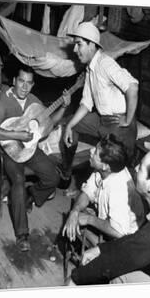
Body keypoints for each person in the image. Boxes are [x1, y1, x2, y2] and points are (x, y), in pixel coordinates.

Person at [0, 65, 69, 252]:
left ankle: (31, 195)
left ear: (33, 85)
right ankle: (22, 234)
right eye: (21, 81)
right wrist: (17, 136)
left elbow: (50, 123)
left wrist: (64, 107)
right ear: (14, 81)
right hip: (9, 150)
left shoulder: (33, 101)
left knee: (53, 177)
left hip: (30, 149)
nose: (24, 87)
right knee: (18, 180)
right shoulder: (4, 100)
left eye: (29, 83)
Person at [60, 22, 139, 183]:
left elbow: (132, 87)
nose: (75, 50)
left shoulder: (105, 63)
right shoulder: (90, 69)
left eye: (79, 44)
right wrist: (69, 126)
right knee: (71, 124)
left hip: (119, 125)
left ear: (91, 45)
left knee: (115, 171)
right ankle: (66, 173)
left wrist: (128, 119)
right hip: (102, 121)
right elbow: (86, 104)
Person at [69, 149, 150, 285]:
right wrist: (100, 249)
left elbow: (126, 249)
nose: (136, 168)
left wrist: (76, 278)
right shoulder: (103, 172)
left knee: (116, 274)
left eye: (141, 168)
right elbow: (87, 191)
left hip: (125, 238)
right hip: (132, 245)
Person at [62, 134, 142, 243]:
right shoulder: (106, 170)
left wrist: (89, 219)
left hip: (124, 240)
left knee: (75, 228)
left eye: (95, 152)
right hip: (108, 219)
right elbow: (88, 192)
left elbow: (119, 232)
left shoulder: (118, 190)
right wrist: (75, 211)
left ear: (105, 166)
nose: (91, 151)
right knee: (74, 216)